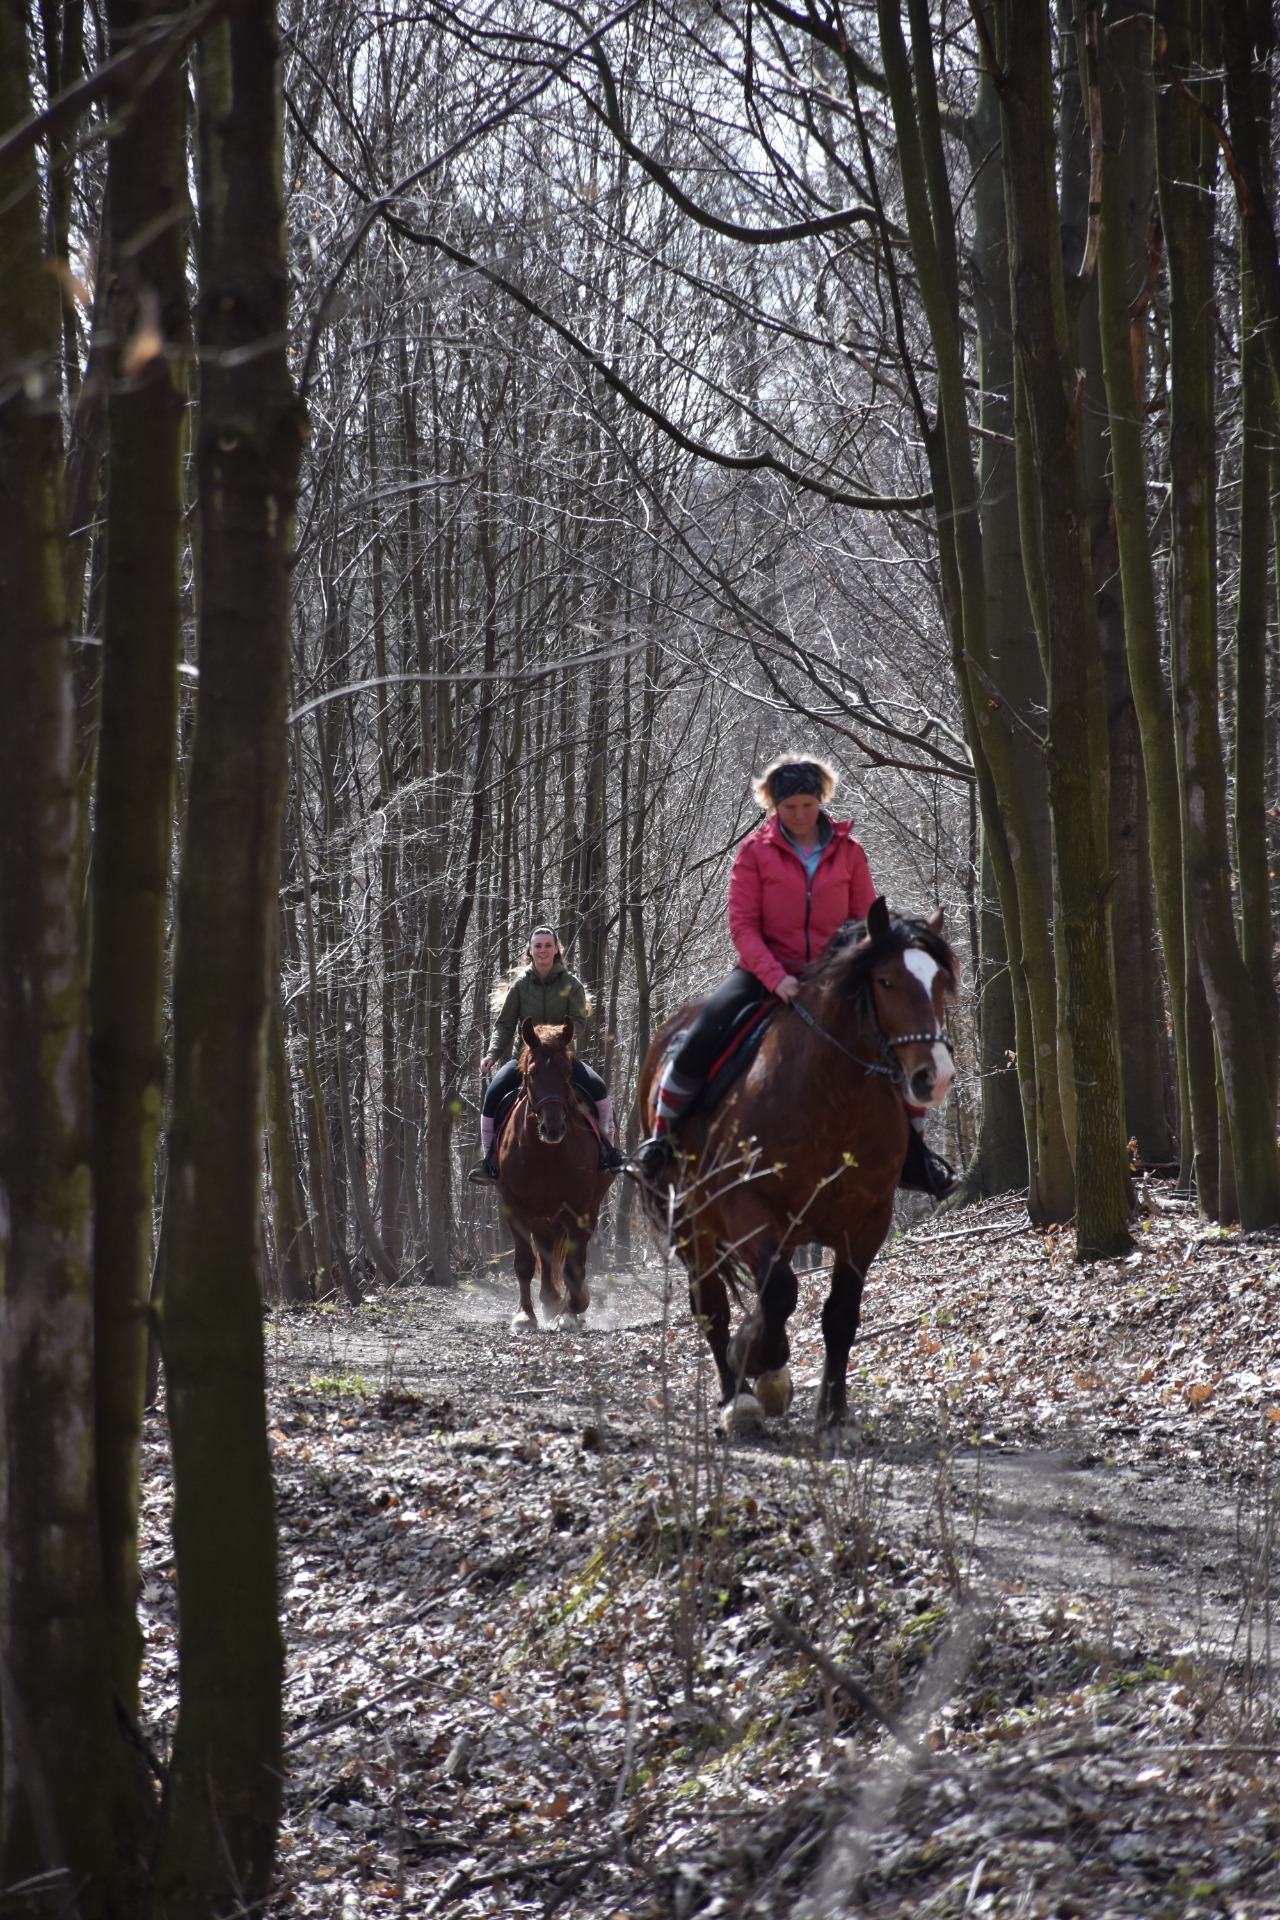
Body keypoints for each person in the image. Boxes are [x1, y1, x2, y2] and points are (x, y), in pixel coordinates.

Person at [631, 754, 955, 1198]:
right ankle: (659, 1143)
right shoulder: (754, 852)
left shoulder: (849, 852)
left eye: (807, 805)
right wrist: (775, 978)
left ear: (820, 801)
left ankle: (916, 1154)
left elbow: (866, 925)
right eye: (790, 807)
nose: (800, 815)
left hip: (835, 977)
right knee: (700, 1037)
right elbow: (743, 927)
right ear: (774, 805)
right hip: (764, 973)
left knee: (896, 1038)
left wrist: (841, 971)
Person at [469, 925, 626, 1180]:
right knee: (493, 1094)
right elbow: (505, 1025)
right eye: (538, 946)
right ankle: (488, 1161)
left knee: (599, 1090)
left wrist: (555, 1036)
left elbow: (579, 1021)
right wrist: (491, 1055)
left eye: (548, 945)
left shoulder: (571, 984)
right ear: (530, 950)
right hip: (526, 1059)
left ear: (556, 950)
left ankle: (610, 1153)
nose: (543, 950)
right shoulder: (519, 986)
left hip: (561, 1058)